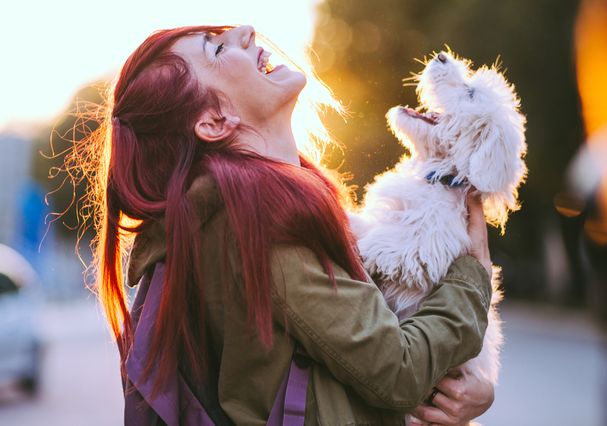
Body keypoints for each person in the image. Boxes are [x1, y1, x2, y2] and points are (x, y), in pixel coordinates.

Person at [83, 24, 495, 425]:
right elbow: (399, 370)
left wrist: (466, 389)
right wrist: (471, 275)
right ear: (213, 122)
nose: (245, 31)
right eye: (218, 49)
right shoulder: (258, 225)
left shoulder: (251, 210)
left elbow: (350, 357)